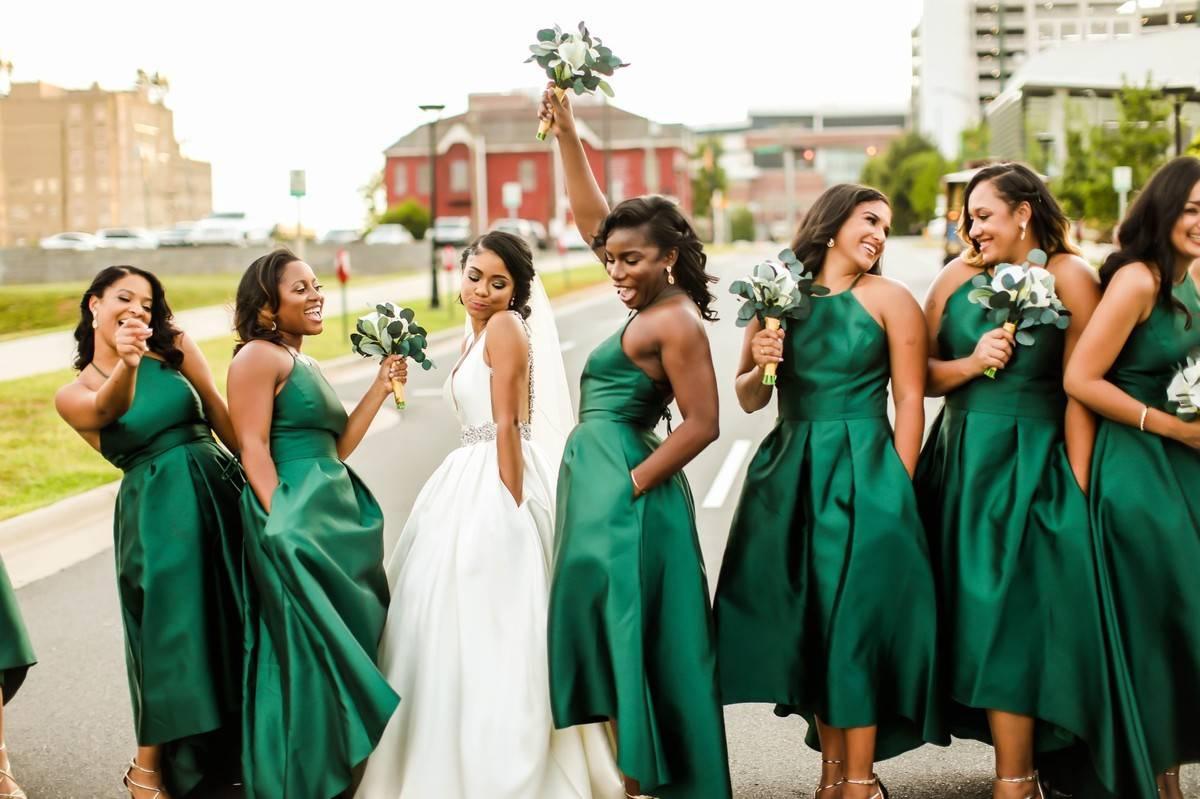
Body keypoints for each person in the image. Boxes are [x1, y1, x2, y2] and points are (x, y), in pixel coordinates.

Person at [916, 162, 1155, 799]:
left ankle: (1017, 776)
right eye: (969, 216)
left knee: (1016, 614)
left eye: (985, 214)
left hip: (1035, 460)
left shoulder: (1073, 277)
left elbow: (1083, 386)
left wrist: (1076, 483)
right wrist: (970, 363)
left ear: (1024, 213)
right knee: (971, 611)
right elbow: (920, 377)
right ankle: (1012, 763)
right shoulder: (953, 276)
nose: (972, 227)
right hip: (962, 460)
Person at [357, 232, 622, 798]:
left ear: (516, 290)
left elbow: (506, 424)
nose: (481, 290)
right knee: (441, 616)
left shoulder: (505, 328)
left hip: (499, 476)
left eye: (497, 282)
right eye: (474, 276)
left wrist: (510, 505)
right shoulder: (472, 337)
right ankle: (446, 750)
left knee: (502, 612)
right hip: (462, 479)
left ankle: (502, 760)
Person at [715, 184, 946, 799]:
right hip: (790, 473)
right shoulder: (777, 293)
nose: (878, 234)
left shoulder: (893, 300)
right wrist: (760, 359)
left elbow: (910, 403)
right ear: (832, 222)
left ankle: (861, 781)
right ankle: (832, 774)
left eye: (886, 227)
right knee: (811, 624)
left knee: (857, 625)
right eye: (869, 219)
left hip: (867, 470)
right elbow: (748, 395)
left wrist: (896, 486)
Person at [539, 84, 733, 799]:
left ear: (670, 256)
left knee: (632, 635)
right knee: (611, 636)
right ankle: (634, 782)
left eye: (630, 261)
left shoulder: (675, 319)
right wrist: (566, 136)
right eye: (611, 260)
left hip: (627, 492)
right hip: (601, 486)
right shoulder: (648, 295)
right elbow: (598, 219)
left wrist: (633, 483)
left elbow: (704, 422)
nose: (616, 271)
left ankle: (642, 784)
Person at [55, 265, 244, 798]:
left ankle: (240, 750)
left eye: (148, 302)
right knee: (170, 632)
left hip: (217, 488)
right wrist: (129, 362)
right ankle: (147, 770)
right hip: (157, 511)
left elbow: (219, 414)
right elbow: (106, 409)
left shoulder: (176, 346)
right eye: (124, 298)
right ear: (94, 304)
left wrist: (263, 485)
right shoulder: (75, 393)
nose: (137, 309)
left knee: (237, 614)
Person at [226, 249, 402, 798]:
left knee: (342, 644)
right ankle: (296, 779)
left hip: (334, 522)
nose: (316, 294)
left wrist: (378, 386)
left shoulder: (305, 362)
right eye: (299, 288)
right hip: (293, 522)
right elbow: (251, 446)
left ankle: (336, 768)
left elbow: (338, 445)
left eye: (316, 284)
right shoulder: (259, 357)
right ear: (268, 304)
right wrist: (280, 521)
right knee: (302, 651)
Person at [1064, 156, 1200, 799]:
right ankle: (1158, 777)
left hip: (1184, 463)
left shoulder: (1191, 279)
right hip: (1139, 460)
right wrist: (1169, 426)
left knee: (1183, 617)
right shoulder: (1138, 282)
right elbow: (1081, 379)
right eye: (1194, 208)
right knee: (1159, 613)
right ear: (1166, 209)